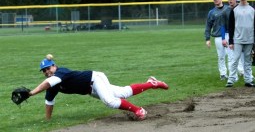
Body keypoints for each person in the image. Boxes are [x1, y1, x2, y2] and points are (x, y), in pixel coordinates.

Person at [28, 54, 169, 121]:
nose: (47, 72)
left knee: (110, 101)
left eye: (48, 68)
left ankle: (138, 110)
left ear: (54, 65)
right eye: (44, 71)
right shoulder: (52, 84)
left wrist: (30, 93)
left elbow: (46, 84)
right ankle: (152, 83)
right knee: (123, 93)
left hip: (95, 79)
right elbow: (49, 102)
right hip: (90, 90)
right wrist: (48, 120)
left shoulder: (60, 72)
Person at [225, 0, 255, 87]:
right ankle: (231, 80)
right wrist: (231, 41)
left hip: (249, 39)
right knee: (235, 59)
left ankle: (248, 80)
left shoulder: (253, 10)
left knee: (248, 60)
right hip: (237, 39)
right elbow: (231, 27)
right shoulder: (234, 10)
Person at [223, 0, 255, 81]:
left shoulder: (242, 8)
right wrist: (224, 38)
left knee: (245, 57)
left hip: (243, 35)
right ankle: (233, 77)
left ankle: (247, 75)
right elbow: (224, 25)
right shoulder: (226, 11)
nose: (230, 0)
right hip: (230, 35)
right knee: (232, 57)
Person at [205, 0, 229, 80]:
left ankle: (239, 71)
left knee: (232, 55)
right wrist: (207, 39)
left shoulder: (228, 8)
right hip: (218, 36)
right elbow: (208, 26)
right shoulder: (211, 12)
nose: (216, 0)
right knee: (221, 56)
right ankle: (223, 74)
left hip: (229, 34)